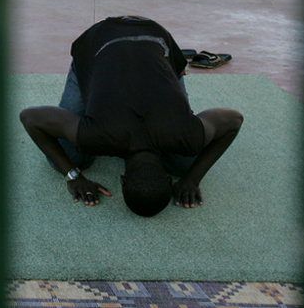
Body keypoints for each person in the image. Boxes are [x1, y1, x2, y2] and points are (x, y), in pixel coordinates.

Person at [18, 16, 243, 217]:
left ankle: (167, 64)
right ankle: (165, 64)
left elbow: (233, 120)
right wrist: (73, 176)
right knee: (72, 159)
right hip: (104, 41)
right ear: (123, 180)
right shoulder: (97, 136)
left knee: (73, 158)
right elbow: (30, 118)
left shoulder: (187, 135)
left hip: (149, 37)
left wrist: (193, 177)